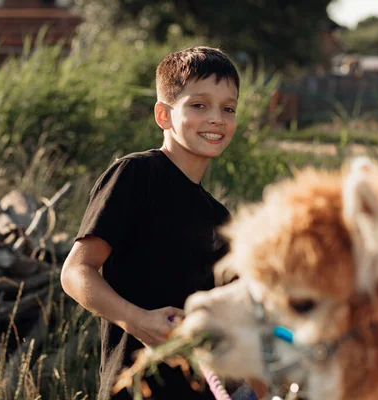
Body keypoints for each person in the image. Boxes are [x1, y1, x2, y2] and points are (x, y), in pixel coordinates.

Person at [61, 46, 249, 400]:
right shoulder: (136, 175)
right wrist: (136, 319)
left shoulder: (220, 217)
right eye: (199, 105)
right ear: (163, 115)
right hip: (134, 387)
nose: (216, 118)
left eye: (228, 108)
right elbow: (75, 273)